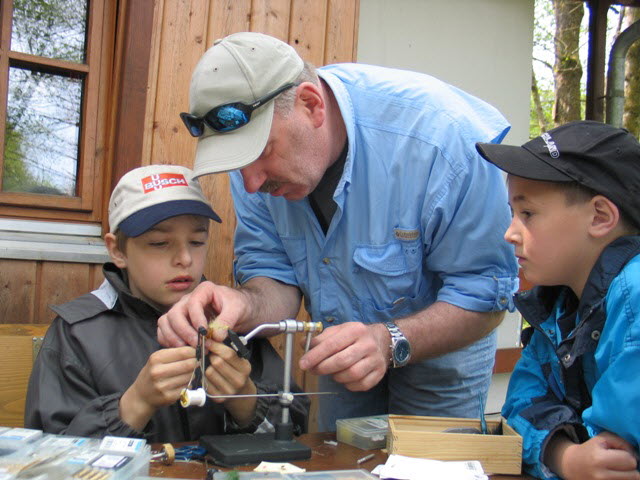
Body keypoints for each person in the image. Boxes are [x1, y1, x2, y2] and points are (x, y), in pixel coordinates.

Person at [159, 31, 519, 431]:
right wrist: (243, 303)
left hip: (442, 353)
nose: (251, 184)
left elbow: (484, 294)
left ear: (311, 106)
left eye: (261, 153)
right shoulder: (252, 171)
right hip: (340, 352)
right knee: (342, 464)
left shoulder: (444, 141)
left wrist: (389, 340)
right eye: (237, 163)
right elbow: (275, 280)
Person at [24, 164, 308, 442]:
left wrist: (246, 401)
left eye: (197, 242)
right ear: (117, 250)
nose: (184, 258)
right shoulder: (77, 333)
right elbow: (51, 458)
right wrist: (137, 402)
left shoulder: (229, 319)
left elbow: (298, 430)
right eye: (160, 243)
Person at [476, 120, 640, 480]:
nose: (509, 233)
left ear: (600, 217)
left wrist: (574, 457)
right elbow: (520, 403)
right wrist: (565, 456)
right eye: (512, 213)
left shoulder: (635, 297)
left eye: (528, 214)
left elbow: (614, 457)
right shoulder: (560, 303)